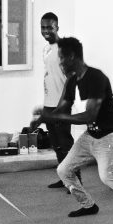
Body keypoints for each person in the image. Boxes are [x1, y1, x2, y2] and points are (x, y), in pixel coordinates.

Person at [31, 37, 113, 224]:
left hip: (110, 135)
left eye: (62, 59)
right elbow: (62, 109)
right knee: (63, 170)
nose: (60, 63)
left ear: (72, 57)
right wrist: (44, 117)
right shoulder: (72, 80)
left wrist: (54, 116)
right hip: (91, 135)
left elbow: (89, 114)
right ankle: (88, 205)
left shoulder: (96, 78)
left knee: (107, 176)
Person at [39, 12, 78, 190]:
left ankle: (75, 181)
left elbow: (72, 77)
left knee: (66, 144)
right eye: (43, 27)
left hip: (61, 105)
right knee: (56, 144)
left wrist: (63, 103)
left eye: (50, 27)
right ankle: (64, 177)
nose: (46, 31)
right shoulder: (47, 49)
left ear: (57, 27)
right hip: (48, 102)